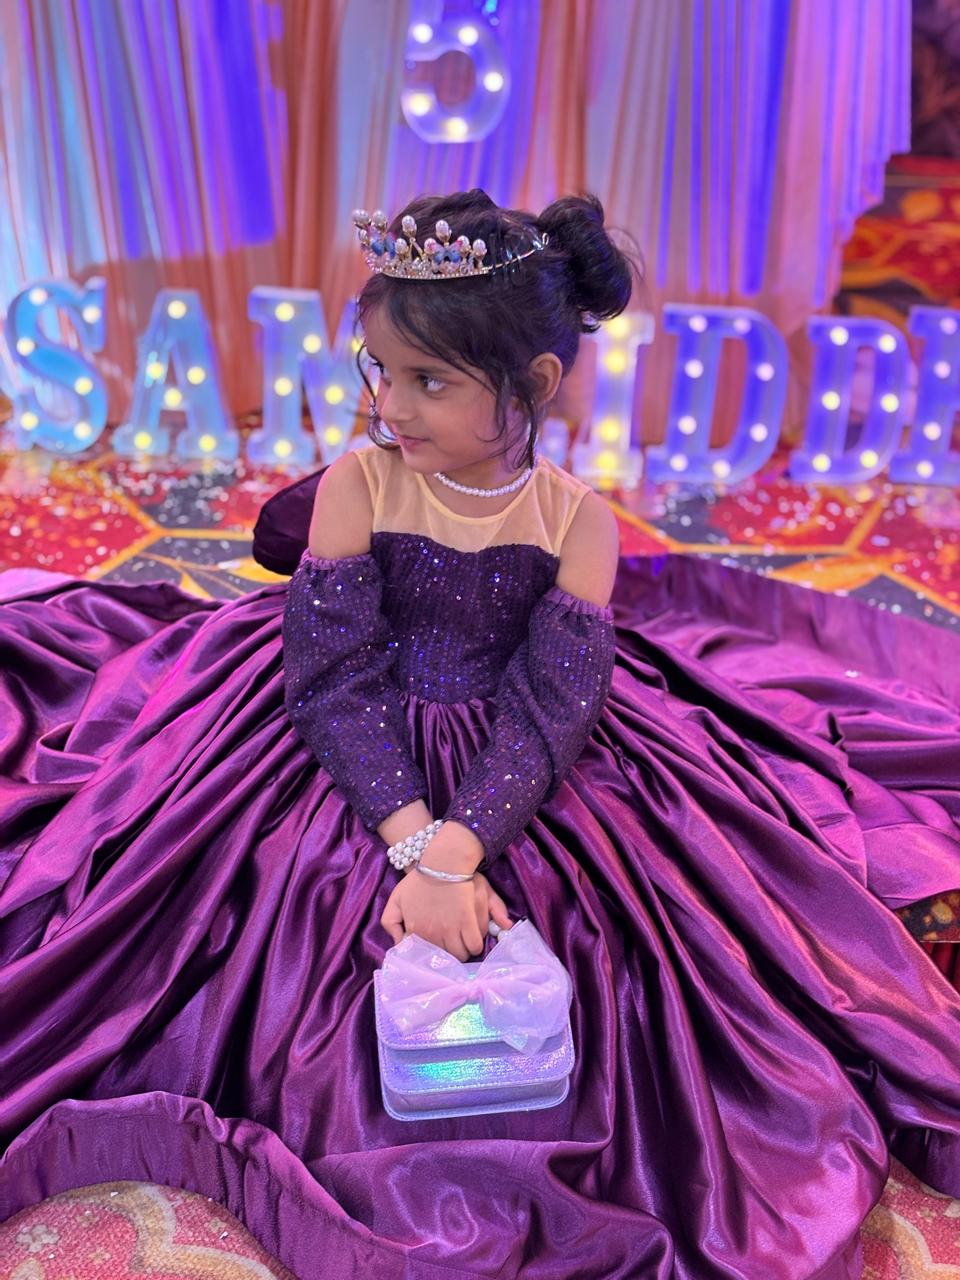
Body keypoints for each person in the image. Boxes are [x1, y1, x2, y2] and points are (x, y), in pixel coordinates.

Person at [0, 188, 959, 1280]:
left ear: (532, 383)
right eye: (380, 370)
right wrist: (414, 839)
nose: (389, 405)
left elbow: (553, 704)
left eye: (429, 381)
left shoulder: (576, 523)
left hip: (514, 748)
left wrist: (464, 846)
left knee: (637, 949)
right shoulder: (360, 485)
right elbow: (330, 678)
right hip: (346, 725)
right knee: (231, 905)